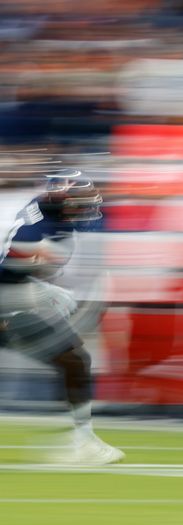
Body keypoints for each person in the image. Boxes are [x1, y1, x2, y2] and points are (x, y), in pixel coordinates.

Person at [0, 169, 124, 465]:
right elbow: (7, 270)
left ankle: (83, 440)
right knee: (74, 359)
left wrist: (39, 288)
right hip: (7, 303)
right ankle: (83, 442)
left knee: (74, 359)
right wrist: (37, 292)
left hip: (12, 300)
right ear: (61, 201)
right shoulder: (35, 231)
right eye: (79, 202)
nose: (86, 208)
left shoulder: (48, 218)